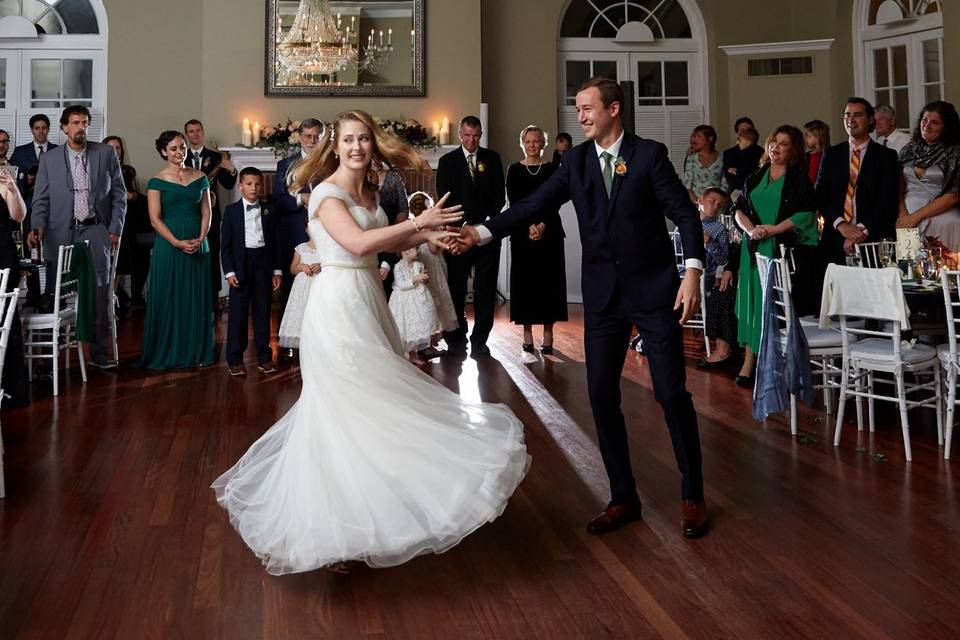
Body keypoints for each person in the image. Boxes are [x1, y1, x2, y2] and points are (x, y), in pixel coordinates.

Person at [212, 109, 529, 575]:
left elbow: (387, 244)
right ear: (334, 146)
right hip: (337, 306)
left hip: (369, 303)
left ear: (372, 145)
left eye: (364, 139)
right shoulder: (325, 192)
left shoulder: (372, 191)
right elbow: (358, 243)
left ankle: (370, 515)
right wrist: (418, 225)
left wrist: (433, 237)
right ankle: (332, 533)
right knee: (342, 411)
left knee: (374, 408)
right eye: (348, 140)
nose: (357, 147)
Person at [455, 77, 708, 539]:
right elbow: (532, 203)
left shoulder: (649, 155)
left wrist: (692, 270)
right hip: (604, 298)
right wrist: (482, 232)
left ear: (614, 109)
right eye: (578, 108)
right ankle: (622, 497)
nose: (581, 116)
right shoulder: (574, 162)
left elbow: (686, 214)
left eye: (588, 108)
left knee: (671, 393)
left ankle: (693, 494)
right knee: (599, 394)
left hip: (654, 292)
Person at [29, 105, 127, 370]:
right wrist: (37, 226)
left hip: (96, 230)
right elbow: (40, 200)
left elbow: (119, 194)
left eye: (84, 122)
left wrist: (114, 228)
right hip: (60, 232)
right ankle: (50, 360)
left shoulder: (105, 153)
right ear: (64, 127)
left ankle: (99, 353)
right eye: (74, 123)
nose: (80, 127)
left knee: (98, 293)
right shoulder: (49, 159)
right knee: (55, 293)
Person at [733, 125, 818, 387]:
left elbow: (806, 214)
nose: (776, 147)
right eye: (774, 142)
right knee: (751, 305)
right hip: (752, 249)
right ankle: (749, 362)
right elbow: (739, 209)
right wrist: (751, 230)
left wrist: (773, 229)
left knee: (769, 307)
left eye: (783, 144)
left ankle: (772, 365)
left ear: (792, 151)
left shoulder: (797, 179)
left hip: (778, 250)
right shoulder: (756, 176)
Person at [137, 130, 214, 370]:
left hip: (198, 241)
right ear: (163, 152)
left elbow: (207, 211)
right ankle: (168, 350)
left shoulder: (200, 176)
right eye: (173, 149)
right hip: (169, 245)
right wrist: (176, 242)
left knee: (196, 295)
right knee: (169, 295)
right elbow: (154, 219)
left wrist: (202, 237)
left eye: (182, 147)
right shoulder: (156, 181)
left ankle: (197, 350)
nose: (180, 152)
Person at [436, 115, 505, 357]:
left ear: (481, 134)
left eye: (475, 136)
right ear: (460, 135)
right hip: (457, 233)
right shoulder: (447, 161)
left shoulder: (493, 159)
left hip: (486, 235)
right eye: (467, 136)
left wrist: (484, 226)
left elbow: (499, 196)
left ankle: (480, 340)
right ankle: (456, 338)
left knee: (485, 289)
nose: (471, 140)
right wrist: (464, 226)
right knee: (455, 287)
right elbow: (444, 198)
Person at [505, 124, 567, 356]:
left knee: (549, 284)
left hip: (550, 232)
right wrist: (530, 225)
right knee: (525, 285)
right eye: (528, 141)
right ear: (522, 144)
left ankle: (549, 335)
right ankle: (527, 335)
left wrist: (541, 224)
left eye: (536, 141)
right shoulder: (514, 170)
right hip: (522, 233)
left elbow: (556, 199)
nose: (532, 145)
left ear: (543, 144)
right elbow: (515, 201)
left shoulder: (553, 169)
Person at [817, 98, 900, 267]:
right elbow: (821, 195)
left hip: (873, 239)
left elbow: (887, 201)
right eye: (847, 115)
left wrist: (859, 231)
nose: (851, 120)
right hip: (834, 238)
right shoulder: (831, 154)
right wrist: (841, 225)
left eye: (857, 115)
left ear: (870, 120)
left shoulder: (887, 156)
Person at [222, 167, 282, 376]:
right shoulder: (231, 211)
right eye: (249, 184)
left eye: (257, 184)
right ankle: (235, 359)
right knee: (237, 313)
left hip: (263, 263)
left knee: (263, 312)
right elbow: (226, 246)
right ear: (240, 186)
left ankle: (265, 357)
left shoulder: (269, 209)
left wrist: (276, 270)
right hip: (241, 264)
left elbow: (275, 242)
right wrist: (229, 272)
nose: (254, 188)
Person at [897, 100, 960, 267]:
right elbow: (897, 187)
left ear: (946, 126)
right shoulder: (909, 149)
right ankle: (908, 280)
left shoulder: (955, 152)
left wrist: (915, 217)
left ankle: (948, 284)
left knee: (952, 222)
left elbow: (953, 196)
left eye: (935, 122)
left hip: (941, 207)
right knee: (908, 269)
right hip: (906, 208)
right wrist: (904, 215)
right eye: (924, 120)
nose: (927, 126)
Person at [184, 118, 238, 308]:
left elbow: (229, 184)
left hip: (211, 213)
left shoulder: (215, 157)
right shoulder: (181, 157)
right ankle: (191, 296)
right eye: (191, 131)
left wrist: (232, 171)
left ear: (203, 132)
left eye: (198, 130)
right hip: (188, 213)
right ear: (187, 135)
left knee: (213, 253)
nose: (195, 134)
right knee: (190, 253)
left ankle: (213, 298)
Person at [274, 118, 323, 310]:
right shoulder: (285, 164)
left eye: (316, 137)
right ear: (300, 138)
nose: (312, 141)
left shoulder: (330, 165)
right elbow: (278, 201)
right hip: (292, 231)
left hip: (323, 230)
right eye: (308, 136)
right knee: (291, 285)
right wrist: (300, 199)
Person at [409, 192, 457, 359]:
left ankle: (427, 344)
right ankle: (427, 345)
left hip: (425, 265)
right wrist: (445, 238)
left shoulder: (415, 225)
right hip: (433, 266)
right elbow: (433, 248)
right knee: (435, 303)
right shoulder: (428, 227)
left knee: (427, 304)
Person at [103, 135, 147, 309]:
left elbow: (134, 194)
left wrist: (132, 196)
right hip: (105, 220)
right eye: (111, 147)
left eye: (118, 148)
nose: (115, 151)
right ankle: (112, 296)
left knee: (133, 255)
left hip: (126, 221)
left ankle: (129, 294)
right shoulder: (98, 168)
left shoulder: (128, 170)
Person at [0, 160, 30, 407]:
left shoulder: (4, 178)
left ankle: (9, 386)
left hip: (3, 256)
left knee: (4, 320)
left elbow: (19, 216)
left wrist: (13, 189)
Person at [695, 188, 735, 368]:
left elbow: (724, 259)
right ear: (701, 200)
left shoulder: (719, 229)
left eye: (719, 206)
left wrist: (709, 242)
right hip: (685, 274)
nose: (714, 207)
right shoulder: (687, 223)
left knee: (721, 294)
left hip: (708, 277)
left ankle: (722, 347)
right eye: (711, 201)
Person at [389, 247, 439, 363]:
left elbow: (424, 281)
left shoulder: (419, 265)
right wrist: (416, 278)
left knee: (418, 325)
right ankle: (403, 354)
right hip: (404, 301)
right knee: (405, 327)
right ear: (405, 251)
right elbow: (401, 284)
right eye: (414, 248)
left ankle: (413, 353)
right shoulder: (398, 267)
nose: (418, 251)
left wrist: (425, 278)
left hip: (419, 297)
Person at [372, 155, 410, 299]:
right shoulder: (357, 176)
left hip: (391, 233)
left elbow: (403, 209)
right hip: (367, 235)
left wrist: (394, 232)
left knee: (387, 284)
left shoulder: (393, 177)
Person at [277, 228, 321, 350]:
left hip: (319, 285)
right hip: (302, 288)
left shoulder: (326, 248)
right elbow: (292, 269)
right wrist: (301, 266)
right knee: (301, 312)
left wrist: (321, 266)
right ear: (306, 230)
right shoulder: (301, 248)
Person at [721, 117, 763, 199]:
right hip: (738, 192)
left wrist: (738, 172)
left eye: (749, 130)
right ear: (737, 134)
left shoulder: (762, 152)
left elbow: (760, 175)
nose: (746, 133)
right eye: (742, 130)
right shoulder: (729, 154)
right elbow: (731, 180)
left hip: (758, 192)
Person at [682, 124, 723, 203]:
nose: (695, 139)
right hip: (697, 205)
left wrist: (715, 204)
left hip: (718, 205)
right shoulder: (692, 159)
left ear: (710, 139)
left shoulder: (722, 158)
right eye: (694, 136)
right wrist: (700, 204)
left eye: (698, 136)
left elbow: (725, 186)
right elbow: (687, 187)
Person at [802, 119, 830, 184]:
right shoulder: (806, 157)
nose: (805, 139)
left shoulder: (830, 155)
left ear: (818, 138)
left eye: (808, 137)